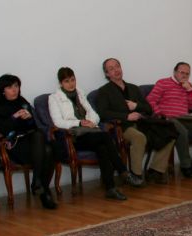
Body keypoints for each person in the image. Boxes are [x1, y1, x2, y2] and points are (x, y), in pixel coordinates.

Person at [49, 67, 141, 200]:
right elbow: (57, 122)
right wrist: (80, 123)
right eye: (67, 81)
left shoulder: (80, 93)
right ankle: (123, 172)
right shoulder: (54, 98)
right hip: (73, 137)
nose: (71, 84)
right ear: (60, 83)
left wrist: (90, 121)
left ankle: (110, 188)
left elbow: (94, 114)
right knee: (105, 136)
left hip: (91, 133)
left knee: (102, 147)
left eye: (73, 80)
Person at [95, 58, 176, 185]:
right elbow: (103, 113)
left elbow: (148, 109)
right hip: (123, 127)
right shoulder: (104, 91)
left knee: (169, 133)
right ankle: (135, 175)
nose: (116, 70)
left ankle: (155, 170)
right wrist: (126, 117)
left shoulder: (133, 88)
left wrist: (136, 106)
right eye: (111, 69)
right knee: (139, 137)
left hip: (142, 123)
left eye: (117, 66)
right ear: (106, 74)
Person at [0, 74, 58, 210]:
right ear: (2, 90)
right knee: (46, 150)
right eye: (10, 87)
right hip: (12, 145)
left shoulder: (23, 102)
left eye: (16, 86)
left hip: (31, 142)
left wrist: (30, 118)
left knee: (46, 146)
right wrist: (14, 117)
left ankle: (39, 184)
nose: (14, 90)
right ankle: (43, 190)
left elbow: (33, 128)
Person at [146, 62, 192, 178]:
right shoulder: (163, 83)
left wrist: (189, 91)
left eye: (187, 74)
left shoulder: (187, 85)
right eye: (181, 73)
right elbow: (150, 100)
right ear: (175, 72)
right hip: (169, 119)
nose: (184, 76)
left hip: (184, 117)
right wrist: (160, 114)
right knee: (182, 132)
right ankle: (186, 166)